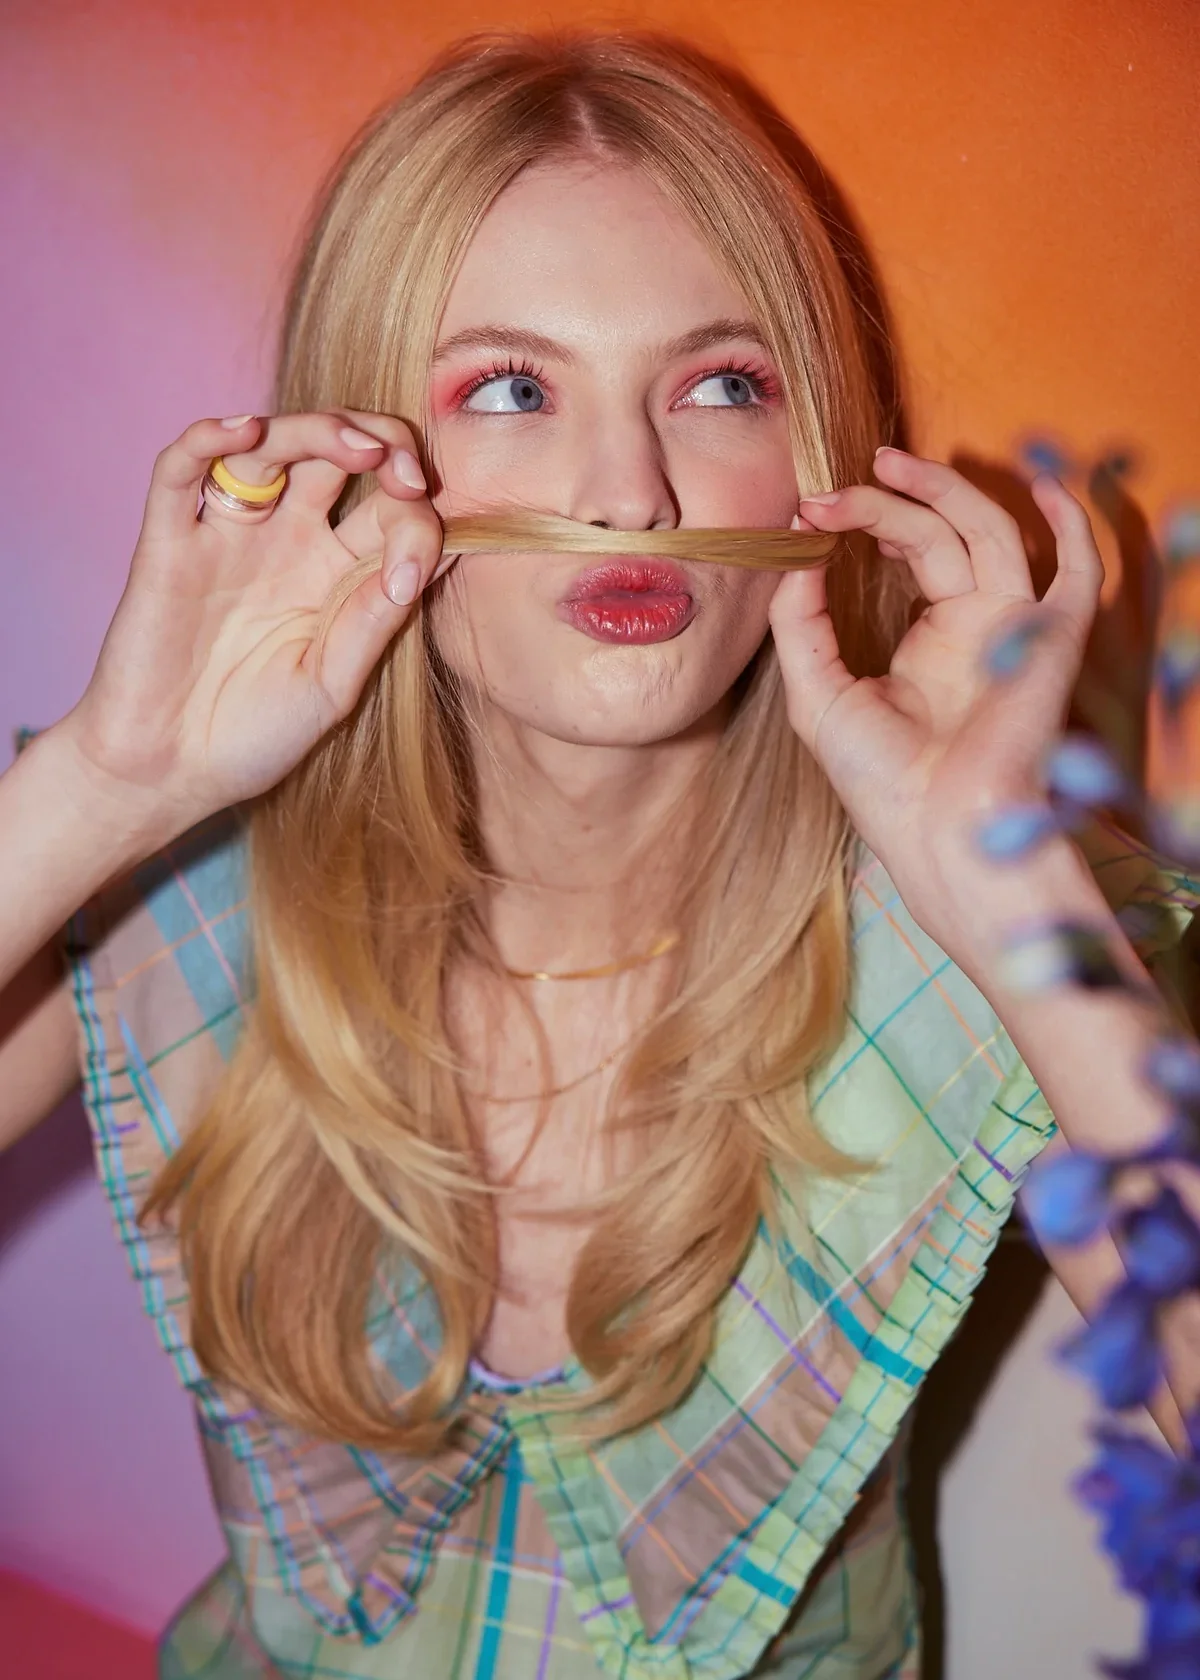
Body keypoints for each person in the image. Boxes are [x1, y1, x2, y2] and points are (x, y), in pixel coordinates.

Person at [1, 29, 1196, 1680]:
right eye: (511, 389)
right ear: (367, 460)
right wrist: (102, 786)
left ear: (816, 460)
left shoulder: (982, 933)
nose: (628, 495)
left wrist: (1002, 888)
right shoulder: (177, 899)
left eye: (721, 386)